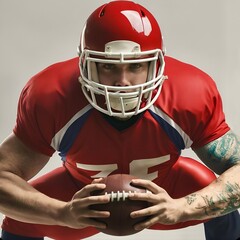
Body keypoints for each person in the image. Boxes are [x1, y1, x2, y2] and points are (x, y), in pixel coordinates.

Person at [0, 1, 240, 239]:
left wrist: (183, 207)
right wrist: (61, 212)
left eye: (135, 66)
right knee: (20, 218)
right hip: (79, 199)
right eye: (107, 66)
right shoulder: (52, 96)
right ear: (84, 63)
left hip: (169, 192)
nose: (122, 82)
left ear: (156, 65)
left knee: (215, 196)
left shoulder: (188, 93)